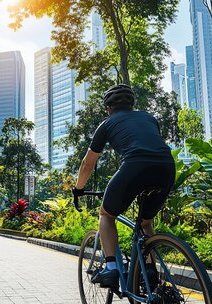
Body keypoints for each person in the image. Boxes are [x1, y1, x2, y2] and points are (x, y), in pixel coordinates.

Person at [72, 84, 175, 289]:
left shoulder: (107, 124)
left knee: (107, 215)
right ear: (132, 105)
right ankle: (151, 272)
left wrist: (78, 189)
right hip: (166, 168)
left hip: (134, 167)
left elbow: (87, 164)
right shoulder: (149, 118)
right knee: (146, 223)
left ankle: (111, 268)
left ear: (108, 108)